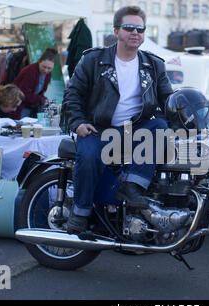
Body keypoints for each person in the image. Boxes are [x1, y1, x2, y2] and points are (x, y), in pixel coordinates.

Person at [63, 6, 173, 234]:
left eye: (140, 29)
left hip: (135, 130)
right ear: (116, 31)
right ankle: (80, 211)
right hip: (99, 129)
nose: (135, 33)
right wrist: (78, 122)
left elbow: (169, 100)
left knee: (161, 127)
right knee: (90, 154)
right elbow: (72, 93)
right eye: (129, 28)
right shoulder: (93, 60)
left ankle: (132, 187)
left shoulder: (153, 65)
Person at [10, 47, 57, 119]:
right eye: (44, 67)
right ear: (39, 62)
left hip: (31, 106)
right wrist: (41, 99)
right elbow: (23, 94)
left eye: (49, 68)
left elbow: (41, 92)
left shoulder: (48, 75)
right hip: (19, 105)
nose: (46, 70)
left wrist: (42, 99)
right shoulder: (29, 72)